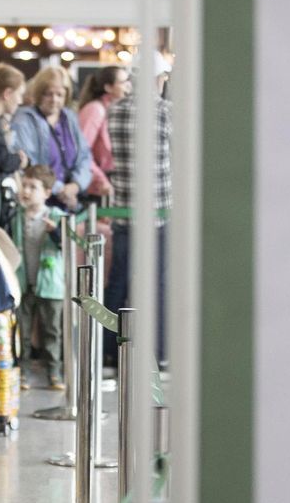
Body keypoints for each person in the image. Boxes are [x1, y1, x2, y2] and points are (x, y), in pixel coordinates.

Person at [104, 71, 172, 364]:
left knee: (118, 282)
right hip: (159, 212)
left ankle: (107, 350)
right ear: (158, 79)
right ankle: (159, 351)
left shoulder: (114, 111)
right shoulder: (166, 112)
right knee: (158, 283)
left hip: (124, 210)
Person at [11, 67, 91, 211]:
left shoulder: (69, 117)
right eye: (48, 94)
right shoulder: (23, 119)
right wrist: (61, 190)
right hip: (39, 205)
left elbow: (85, 156)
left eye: (60, 95)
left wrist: (75, 186)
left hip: (71, 200)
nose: (54, 100)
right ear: (39, 94)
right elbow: (30, 164)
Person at [17, 164, 66, 390]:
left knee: (52, 331)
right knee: (22, 331)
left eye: (33, 187)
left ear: (47, 193)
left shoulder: (56, 217)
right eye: (24, 185)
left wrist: (55, 232)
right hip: (23, 282)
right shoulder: (16, 216)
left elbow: (67, 245)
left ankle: (54, 372)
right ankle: (22, 371)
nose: (26, 191)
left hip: (50, 285)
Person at [76, 66, 129, 198]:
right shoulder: (95, 110)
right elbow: (82, 152)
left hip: (109, 183)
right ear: (108, 88)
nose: (129, 86)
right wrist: (101, 180)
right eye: (122, 82)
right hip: (96, 187)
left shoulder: (114, 110)